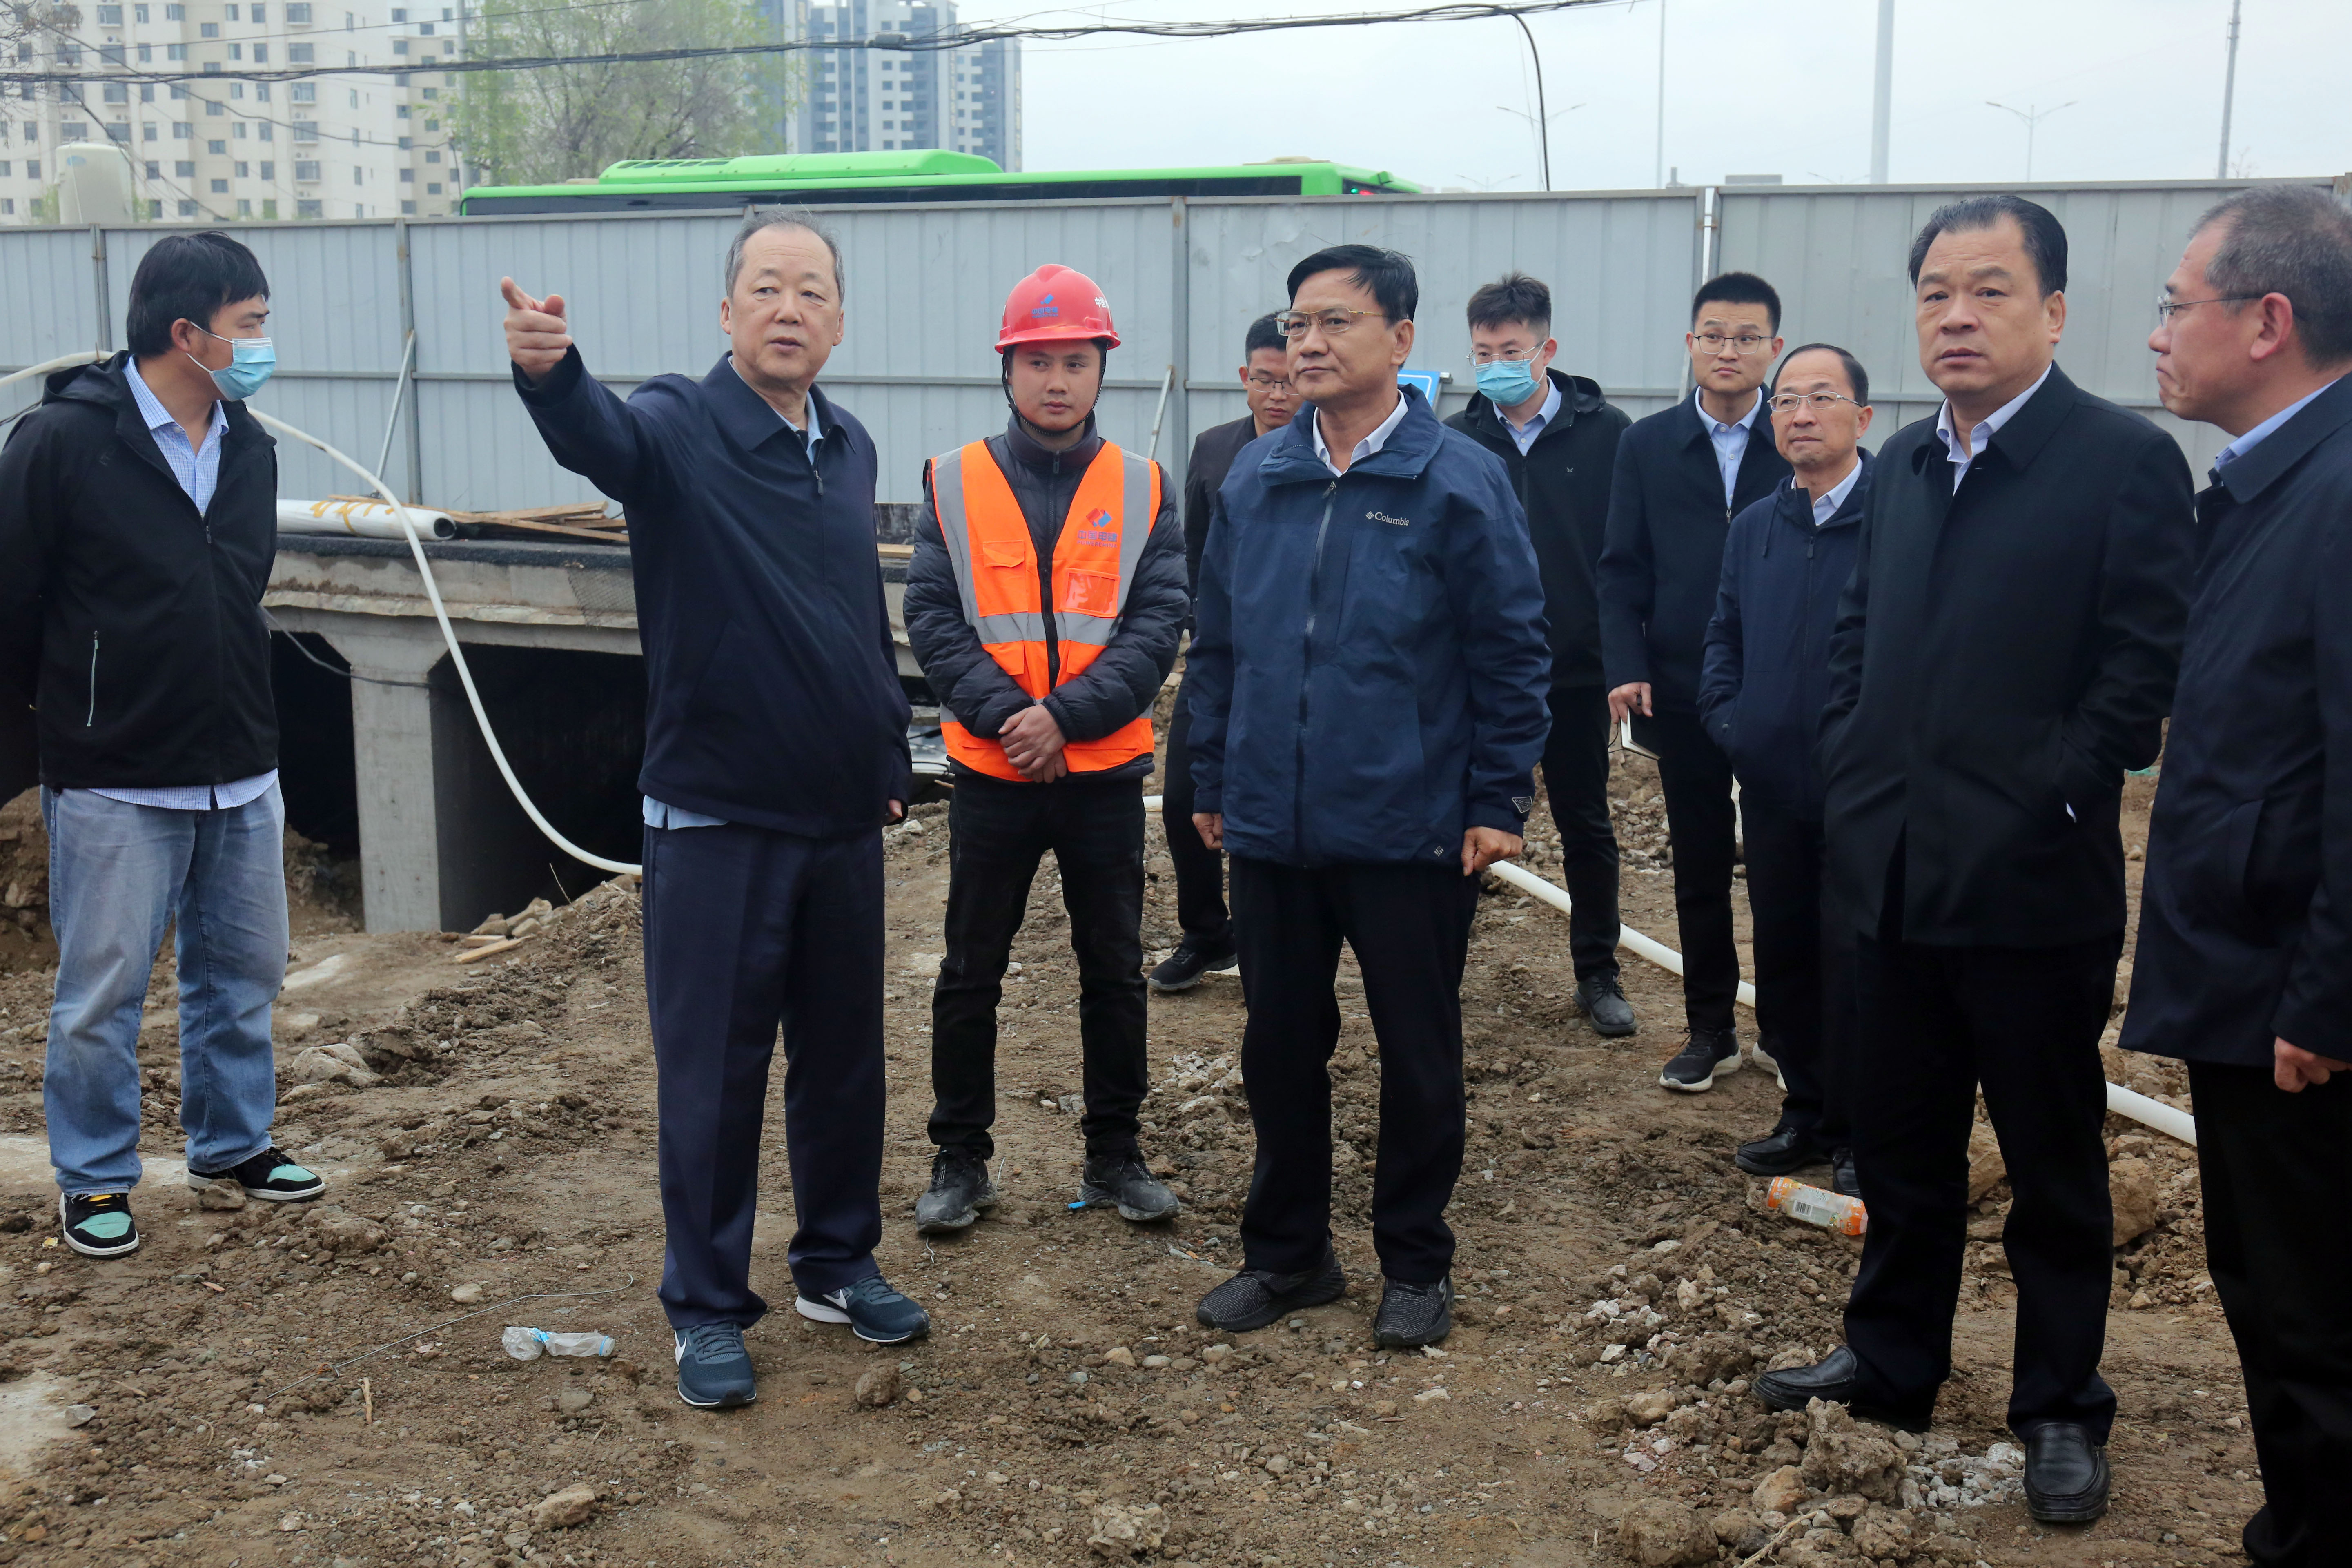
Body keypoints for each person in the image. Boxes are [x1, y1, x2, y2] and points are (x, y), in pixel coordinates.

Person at [1755, 196, 2196, 1527]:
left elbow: (2141, 671)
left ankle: (2059, 1405)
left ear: (2053, 311)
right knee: (1901, 1149)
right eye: (1937, 292)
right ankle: (1892, 1362)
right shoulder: (1901, 465)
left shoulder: (2121, 462)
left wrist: (2048, 790)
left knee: (2052, 1163)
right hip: (1889, 879)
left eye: (1991, 290)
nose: (1957, 316)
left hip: (2031, 885)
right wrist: (1855, 777)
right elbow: (1858, 639)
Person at [503, 207, 928, 1412]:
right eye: (767, 287)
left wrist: (887, 749)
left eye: (812, 290)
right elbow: (603, 442)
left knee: (843, 1064)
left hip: (840, 814)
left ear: (839, 322)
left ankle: (836, 1265)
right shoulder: (680, 423)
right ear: (728, 311)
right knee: (715, 1075)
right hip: (717, 815)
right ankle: (705, 1307)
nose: (790, 307)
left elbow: (856, 615)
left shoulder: (848, 445)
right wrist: (551, 377)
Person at [1185, 244, 1550, 1348]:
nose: (1307, 344)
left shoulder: (1457, 480)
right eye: (1297, 324)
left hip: (1410, 825)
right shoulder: (1258, 477)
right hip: (1273, 825)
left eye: (1334, 322)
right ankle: (1289, 1257)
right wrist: (1212, 774)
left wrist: (1496, 799)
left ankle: (1416, 1262)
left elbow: (1512, 651)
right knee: (1278, 1049)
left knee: (1418, 1053)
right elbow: (1220, 644)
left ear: (1400, 340)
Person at [0, 231, 324, 1260]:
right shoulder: (61, 442)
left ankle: (233, 1144)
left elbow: (241, 588)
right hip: (116, 774)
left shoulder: (248, 444)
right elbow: (13, 602)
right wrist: (65, 726)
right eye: (249, 325)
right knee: (101, 991)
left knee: (242, 972)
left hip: (240, 762)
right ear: (187, 334)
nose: (262, 343)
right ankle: (96, 1175)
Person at [2126, 184, 2352, 1568]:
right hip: (2253, 972)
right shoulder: (2272, 487)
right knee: (2271, 1288)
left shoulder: (2335, 494)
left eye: (2175, 305)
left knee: (2312, 1307)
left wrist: (2329, 1001)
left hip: (2296, 1008)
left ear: (2268, 322)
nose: (2158, 334)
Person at [903, 264, 1189, 1236]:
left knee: (1113, 968)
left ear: (1101, 369)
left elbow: (1157, 625)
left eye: (1075, 361)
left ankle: (1115, 1155)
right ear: (1008, 370)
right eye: (1038, 362)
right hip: (995, 774)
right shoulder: (952, 481)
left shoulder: (1145, 487)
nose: (1056, 380)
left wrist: (1063, 720)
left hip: (1101, 773)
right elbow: (932, 619)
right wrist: (1011, 722)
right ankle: (960, 1159)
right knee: (969, 970)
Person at [1597, 272, 1792, 1090]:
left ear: (1773, 349)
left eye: (1747, 337)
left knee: (1786, 864)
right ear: (1691, 344)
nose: (1728, 350)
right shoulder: (1648, 445)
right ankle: (1710, 1026)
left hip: (1786, 686)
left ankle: (1788, 1031)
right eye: (1714, 335)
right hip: (1683, 684)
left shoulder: (1799, 435)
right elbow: (1620, 568)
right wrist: (1627, 665)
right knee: (1701, 862)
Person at [1699, 344, 1873, 1200]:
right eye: (1788, 401)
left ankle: (1859, 1129)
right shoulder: (1757, 527)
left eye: (1822, 398)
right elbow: (1724, 634)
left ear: (1863, 418)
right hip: (1771, 784)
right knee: (1785, 950)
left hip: (1863, 791)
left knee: (1857, 961)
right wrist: (1733, 722)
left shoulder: (1894, 520)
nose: (1801, 415)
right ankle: (1803, 1109)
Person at [1446, 272, 1636, 1037]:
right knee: (1462, 819)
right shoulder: (1458, 440)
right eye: (1483, 352)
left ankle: (1598, 972)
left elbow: (1626, 553)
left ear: (1546, 349)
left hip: (1574, 669)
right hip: (1478, 672)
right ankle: (1439, 968)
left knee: (1586, 820)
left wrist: (1622, 653)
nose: (1496, 365)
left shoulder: (1608, 434)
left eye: (1511, 351)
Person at [1152, 312, 1298, 993]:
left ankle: (1280, 944)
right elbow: (1193, 553)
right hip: (1222, 656)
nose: (1279, 394)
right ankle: (1208, 932)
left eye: (1290, 380)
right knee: (1185, 796)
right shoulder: (1214, 451)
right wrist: (1200, 628)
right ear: (1245, 378)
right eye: (1266, 379)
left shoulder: (1325, 453)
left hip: (1297, 665)